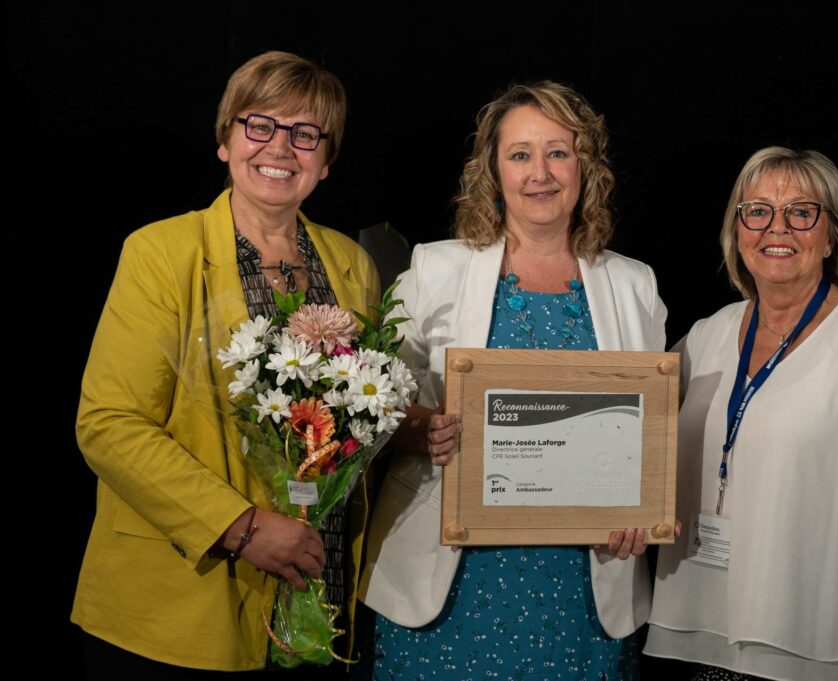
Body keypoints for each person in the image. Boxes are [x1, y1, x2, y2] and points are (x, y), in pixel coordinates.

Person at [72, 51, 380, 673]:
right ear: (225, 141)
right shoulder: (161, 252)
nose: (281, 148)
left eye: (305, 134)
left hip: (322, 597)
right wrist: (242, 526)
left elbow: (354, 422)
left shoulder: (354, 264)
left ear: (326, 159)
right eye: (258, 124)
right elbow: (108, 423)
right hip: (184, 602)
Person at [358, 81, 666, 680]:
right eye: (520, 154)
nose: (540, 173)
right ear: (493, 170)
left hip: (582, 590)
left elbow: (649, 433)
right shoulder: (434, 268)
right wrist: (424, 430)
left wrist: (640, 509)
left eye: (559, 151)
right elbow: (369, 409)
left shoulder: (635, 285)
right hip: (445, 588)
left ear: (586, 166)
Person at [645, 147, 838, 680]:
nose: (777, 227)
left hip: (823, 651)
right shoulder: (706, 336)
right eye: (758, 210)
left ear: (832, 234)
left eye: (801, 212)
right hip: (705, 639)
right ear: (738, 228)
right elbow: (631, 433)